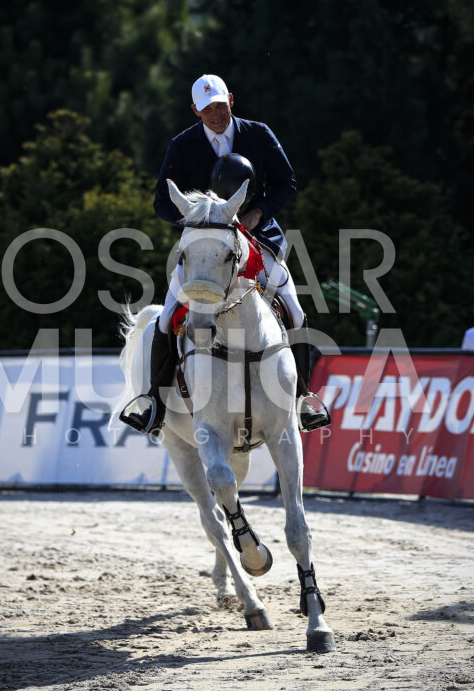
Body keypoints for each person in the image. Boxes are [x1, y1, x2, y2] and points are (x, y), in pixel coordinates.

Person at [122, 73, 328, 434]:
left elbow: (286, 182)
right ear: (195, 110)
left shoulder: (258, 134)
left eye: (220, 106)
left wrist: (259, 211)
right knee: (165, 317)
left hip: (259, 240)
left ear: (231, 99)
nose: (216, 114)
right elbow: (160, 202)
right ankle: (154, 402)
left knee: (295, 311)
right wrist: (195, 220)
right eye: (207, 109)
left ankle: (303, 398)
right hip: (205, 251)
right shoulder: (182, 145)